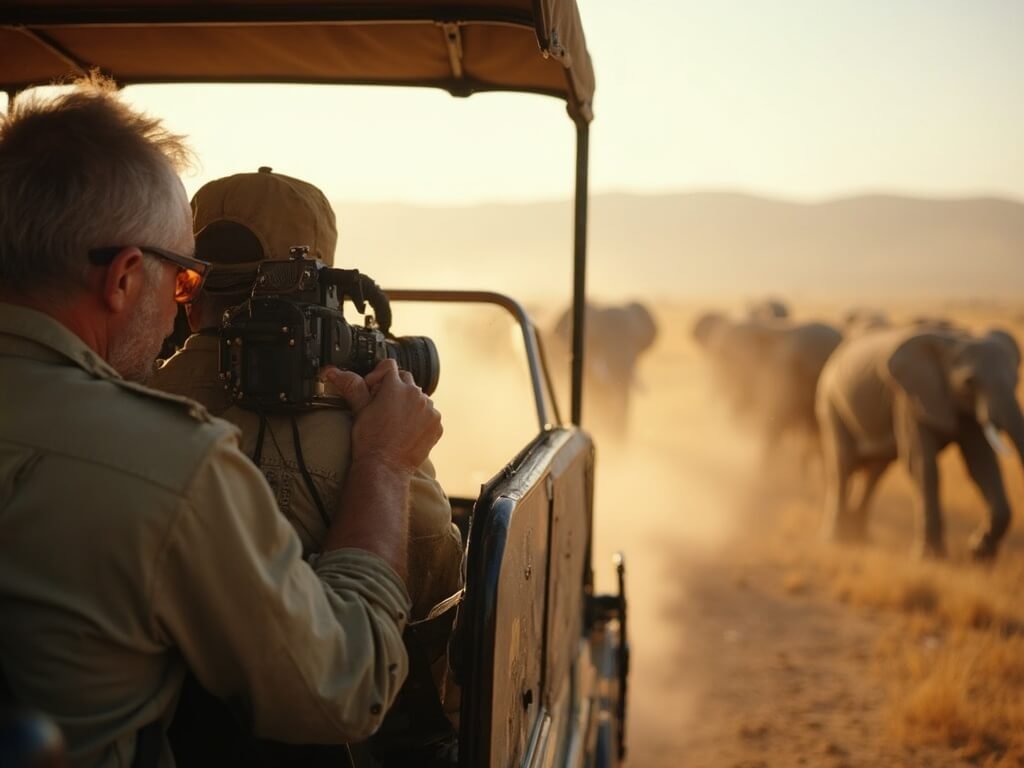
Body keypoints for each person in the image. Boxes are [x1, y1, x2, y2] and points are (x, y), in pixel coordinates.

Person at [0, 77, 442, 766]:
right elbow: (343, 691)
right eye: (181, 280)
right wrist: (384, 466)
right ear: (121, 280)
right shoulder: (168, 464)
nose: (182, 310)